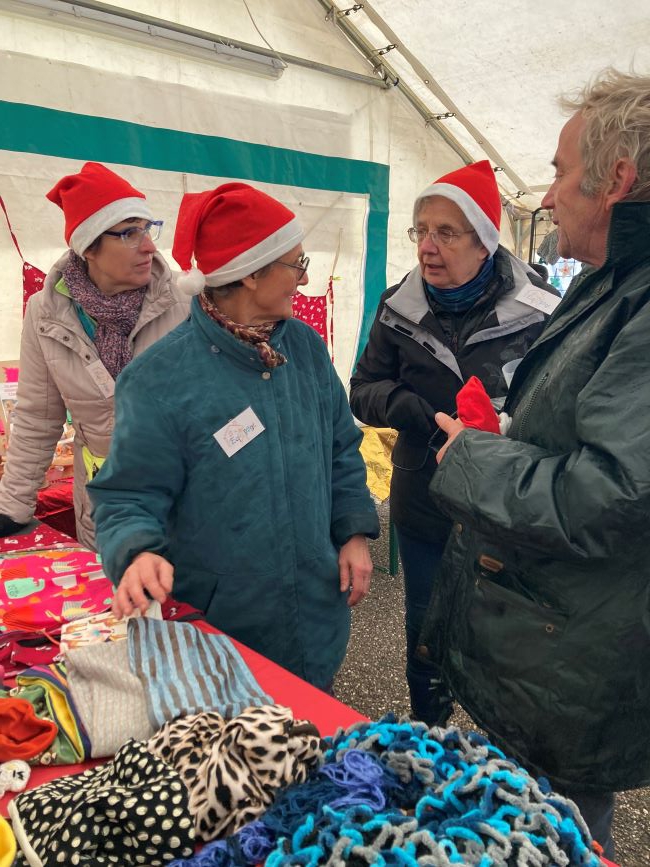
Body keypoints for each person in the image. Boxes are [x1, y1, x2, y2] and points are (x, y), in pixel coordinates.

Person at [421, 69, 650, 859]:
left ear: (615, 178)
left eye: (557, 171)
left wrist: (473, 457)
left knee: (552, 838)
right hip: (550, 640)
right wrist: (515, 428)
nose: (546, 196)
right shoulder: (616, 279)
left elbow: (611, 495)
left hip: (576, 659)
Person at [87, 182, 380, 691]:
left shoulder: (305, 348)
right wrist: (137, 551)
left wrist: (353, 531)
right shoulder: (160, 378)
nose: (303, 278)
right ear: (250, 274)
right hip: (225, 634)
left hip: (315, 613)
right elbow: (129, 493)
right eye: (295, 264)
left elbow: (341, 448)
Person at [349, 161, 558, 725]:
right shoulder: (399, 307)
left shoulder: (540, 312)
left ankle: (496, 760)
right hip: (426, 501)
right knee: (427, 636)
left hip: (505, 510)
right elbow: (362, 389)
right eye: (421, 230)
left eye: (447, 232)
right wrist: (409, 410)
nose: (428, 246)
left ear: (485, 241)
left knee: (503, 646)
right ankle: (431, 744)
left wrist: (506, 426)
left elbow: (560, 410)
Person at [0, 162, 189, 549]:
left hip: (188, 507)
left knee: (186, 608)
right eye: (129, 233)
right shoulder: (47, 312)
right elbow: (38, 418)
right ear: (88, 248)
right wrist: (12, 507)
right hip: (105, 508)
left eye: (149, 228)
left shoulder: (184, 303)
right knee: (117, 608)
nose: (150, 245)